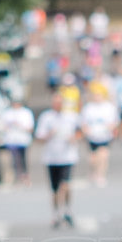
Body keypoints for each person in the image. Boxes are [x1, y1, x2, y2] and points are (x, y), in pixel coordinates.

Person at [34, 93, 81, 228]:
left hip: (67, 156)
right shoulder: (46, 117)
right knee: (54, 189)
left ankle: (67, 210)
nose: (58, 105)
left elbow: (80, 131)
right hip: (51, 158)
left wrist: (74, 138)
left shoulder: (71, 117)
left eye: (60, 103)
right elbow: (39, 137)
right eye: (56, 103)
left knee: (65, 185)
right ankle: (56, 213)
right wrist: (49, 135)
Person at [80, 81, 120, 187]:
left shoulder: (109, 108)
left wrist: (110, 128)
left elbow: (115, 122)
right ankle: (93, 172)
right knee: (92, 158)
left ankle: (100, 175)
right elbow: (83, 122)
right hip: (92, 137)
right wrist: (86, 131)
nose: (97, 97)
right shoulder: (88, 108)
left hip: (105, 136)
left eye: (99, 95)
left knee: (103, 155)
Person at [0, 98, 35, 185]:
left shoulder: (26, 112)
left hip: (23, 140)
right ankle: (16, 176)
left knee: (23, 159)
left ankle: (25, 176)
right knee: (13, 159)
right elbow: (2, 126)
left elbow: (30, 127)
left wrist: (20, 125)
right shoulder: (8, 113)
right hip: (11, 140)